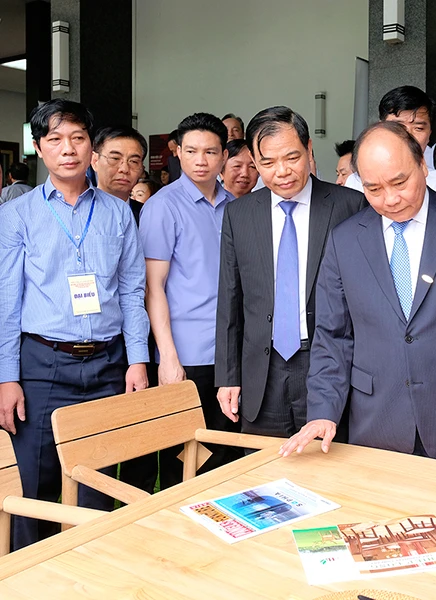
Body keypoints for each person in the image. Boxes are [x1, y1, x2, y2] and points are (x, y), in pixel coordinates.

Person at [279, 121, 436, 472]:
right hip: (379, 424)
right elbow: (333, 337)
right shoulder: (345, 240)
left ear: (422, 165)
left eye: (400, 182)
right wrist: (322, 412)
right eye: (374, 189)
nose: (390, 199)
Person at [0, 99, 148, 550]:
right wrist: (7, 377)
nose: (68, 149)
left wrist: (137, 360)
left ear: (91, 147)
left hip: (107, 365)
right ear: (39, 147)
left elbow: (132, 292)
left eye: (78, 138)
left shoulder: (118, 212)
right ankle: (30, 573)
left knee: (96, 481)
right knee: (33, 483)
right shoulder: (17, 215)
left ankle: (90, 568)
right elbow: (7, 302)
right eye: (55, 139)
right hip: (42, 365)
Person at [216, 106, 365, 439]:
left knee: (329, 463)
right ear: (254, 161)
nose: (281, 172)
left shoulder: (349, 206)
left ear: (309, 149)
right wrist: (228, 376)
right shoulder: (239, 214)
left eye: (292, 157)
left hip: (328, 364)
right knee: (262, 465)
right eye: (268, 162)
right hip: (261, 370)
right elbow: (230, 298)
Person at [139, 112, 242, 488]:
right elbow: (153, 288)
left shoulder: (235, 206)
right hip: (186, 355)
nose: (201, 160)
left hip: (230, 353)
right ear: (177, 152)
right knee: (183, 458)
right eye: (192, 151)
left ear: (223, 156)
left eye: (210, 152)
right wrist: (167, 357)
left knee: (226, 452)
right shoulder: (162, 207)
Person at [344, 86, 436, 199]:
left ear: (429, 134)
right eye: (398, 127)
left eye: (418, 128)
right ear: (380, 129)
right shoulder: (356, 183)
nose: (407, 136)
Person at [90, 126, 147, 224]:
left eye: (133, 161)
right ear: (94, 161)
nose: (124, 169)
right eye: (115, 158)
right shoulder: (77, 211)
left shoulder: (147, 215)